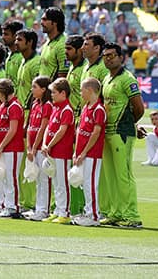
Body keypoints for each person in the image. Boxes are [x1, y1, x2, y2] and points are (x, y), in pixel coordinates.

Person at [99, 43, 145, 227]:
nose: (108, 58)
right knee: (110, 176)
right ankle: (116, 212)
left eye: (111, 55)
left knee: (123, 175)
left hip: (121, 133)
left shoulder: (127, 79)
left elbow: (139, 108)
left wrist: (128, 124)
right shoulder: (107, 78)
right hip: (108, 133)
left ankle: (132, 216)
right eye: (105, 55)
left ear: (121, 58)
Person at [72, 78, 106, 227]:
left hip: (92, 153)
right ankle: (88, 212)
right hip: (83, 153)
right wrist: (76, 152)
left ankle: (93, 215)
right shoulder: (86, 107)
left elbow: (96, 133)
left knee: (90, 184)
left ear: (90, 90)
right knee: (85, 184)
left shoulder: (99, 109)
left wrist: (84, 152)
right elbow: (81, 131)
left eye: (82, 90)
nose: (81, 93)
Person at [0, 78, 24, 219]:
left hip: (13, 148)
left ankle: (13, 207)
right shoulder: (4, 106)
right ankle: (5, 205)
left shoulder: (15, 106)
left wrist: (1, 146)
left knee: (11, 177)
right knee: (3, 177)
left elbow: (13, 129)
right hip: (3, 149)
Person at [41, 78, 75, 224]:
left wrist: (49, 144)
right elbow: (49, 127)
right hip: (53, 151)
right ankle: (58, 210)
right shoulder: (56, 108)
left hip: (62, 151)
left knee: (62, 182)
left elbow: (62, 130)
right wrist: (44, 143)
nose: (52, 95)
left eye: (54, 92)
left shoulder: (67, 109)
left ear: (63, 93)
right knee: (55, 181)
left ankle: (65, 212)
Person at [24, 75, 53, 221]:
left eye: (34, 87)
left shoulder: (48, 105)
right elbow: (30, 126)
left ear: (43, 89)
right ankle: (38, 207)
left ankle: (44, 210)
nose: (32, 89)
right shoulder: (35, 103)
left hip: (41, 147)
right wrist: (29, 147)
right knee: (37, 177)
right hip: (33, 147)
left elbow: (43, 127)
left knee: (44, 178)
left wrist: (35, 147)